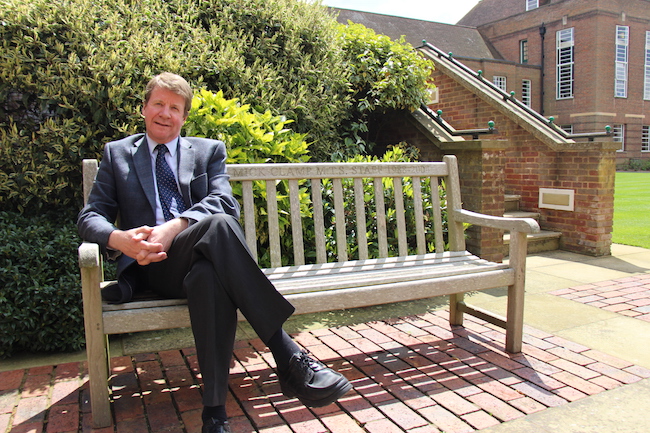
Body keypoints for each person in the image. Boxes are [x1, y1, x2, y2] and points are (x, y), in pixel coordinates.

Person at [77, 72, 352, 433]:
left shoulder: (208, 151)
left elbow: (223, 200)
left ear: (184, 117)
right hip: (153, 267)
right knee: (220, 226)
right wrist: (120, 240)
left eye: (175, 107)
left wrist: (175, 226)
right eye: (158, 104)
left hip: (198, 256)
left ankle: (215, 416)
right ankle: (287, 354)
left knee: (209, 272)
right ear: (144, 109)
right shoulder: (118, 154)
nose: (165, 113)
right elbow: (89, 216)